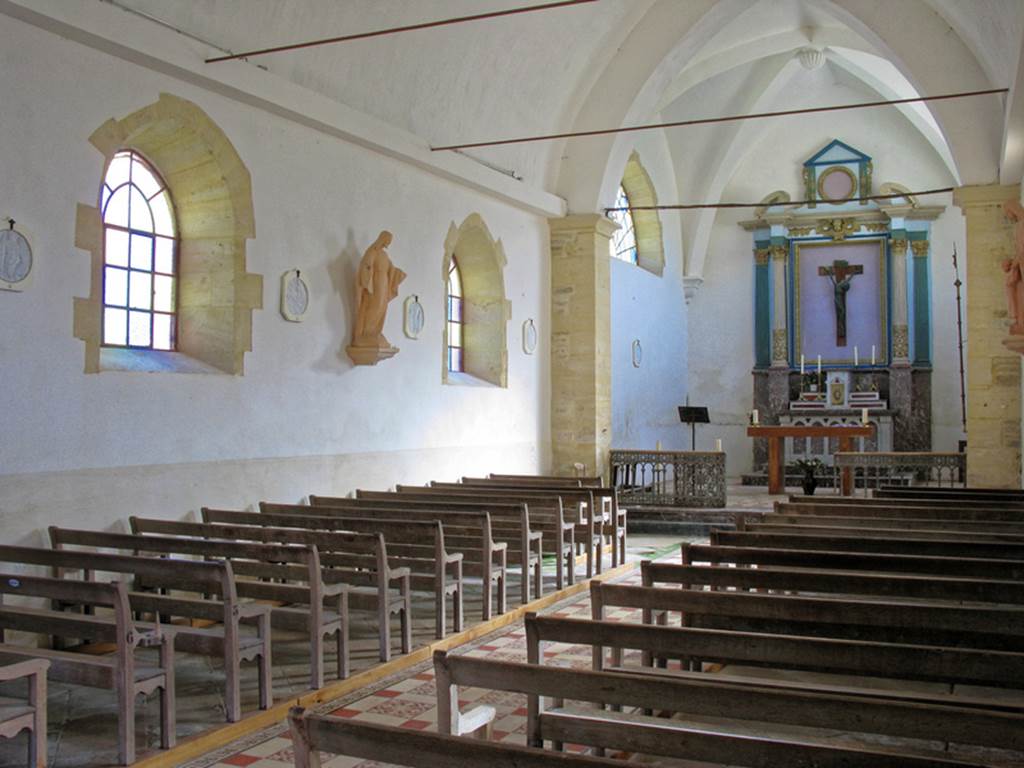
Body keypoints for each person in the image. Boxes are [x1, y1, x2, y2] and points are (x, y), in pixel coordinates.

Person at [353, 230, 406, 348]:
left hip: (384, 283)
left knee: (382, 306)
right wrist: (368, 274)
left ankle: (375, 332)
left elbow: (391, 268)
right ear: (383, 239)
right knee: (375, 306)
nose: (388, 243)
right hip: (376, 282)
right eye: (388, 240)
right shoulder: (373, 251)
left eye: (390, 241)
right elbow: (366, 265)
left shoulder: (384, 255)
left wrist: (398, 273)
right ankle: (366, 333)